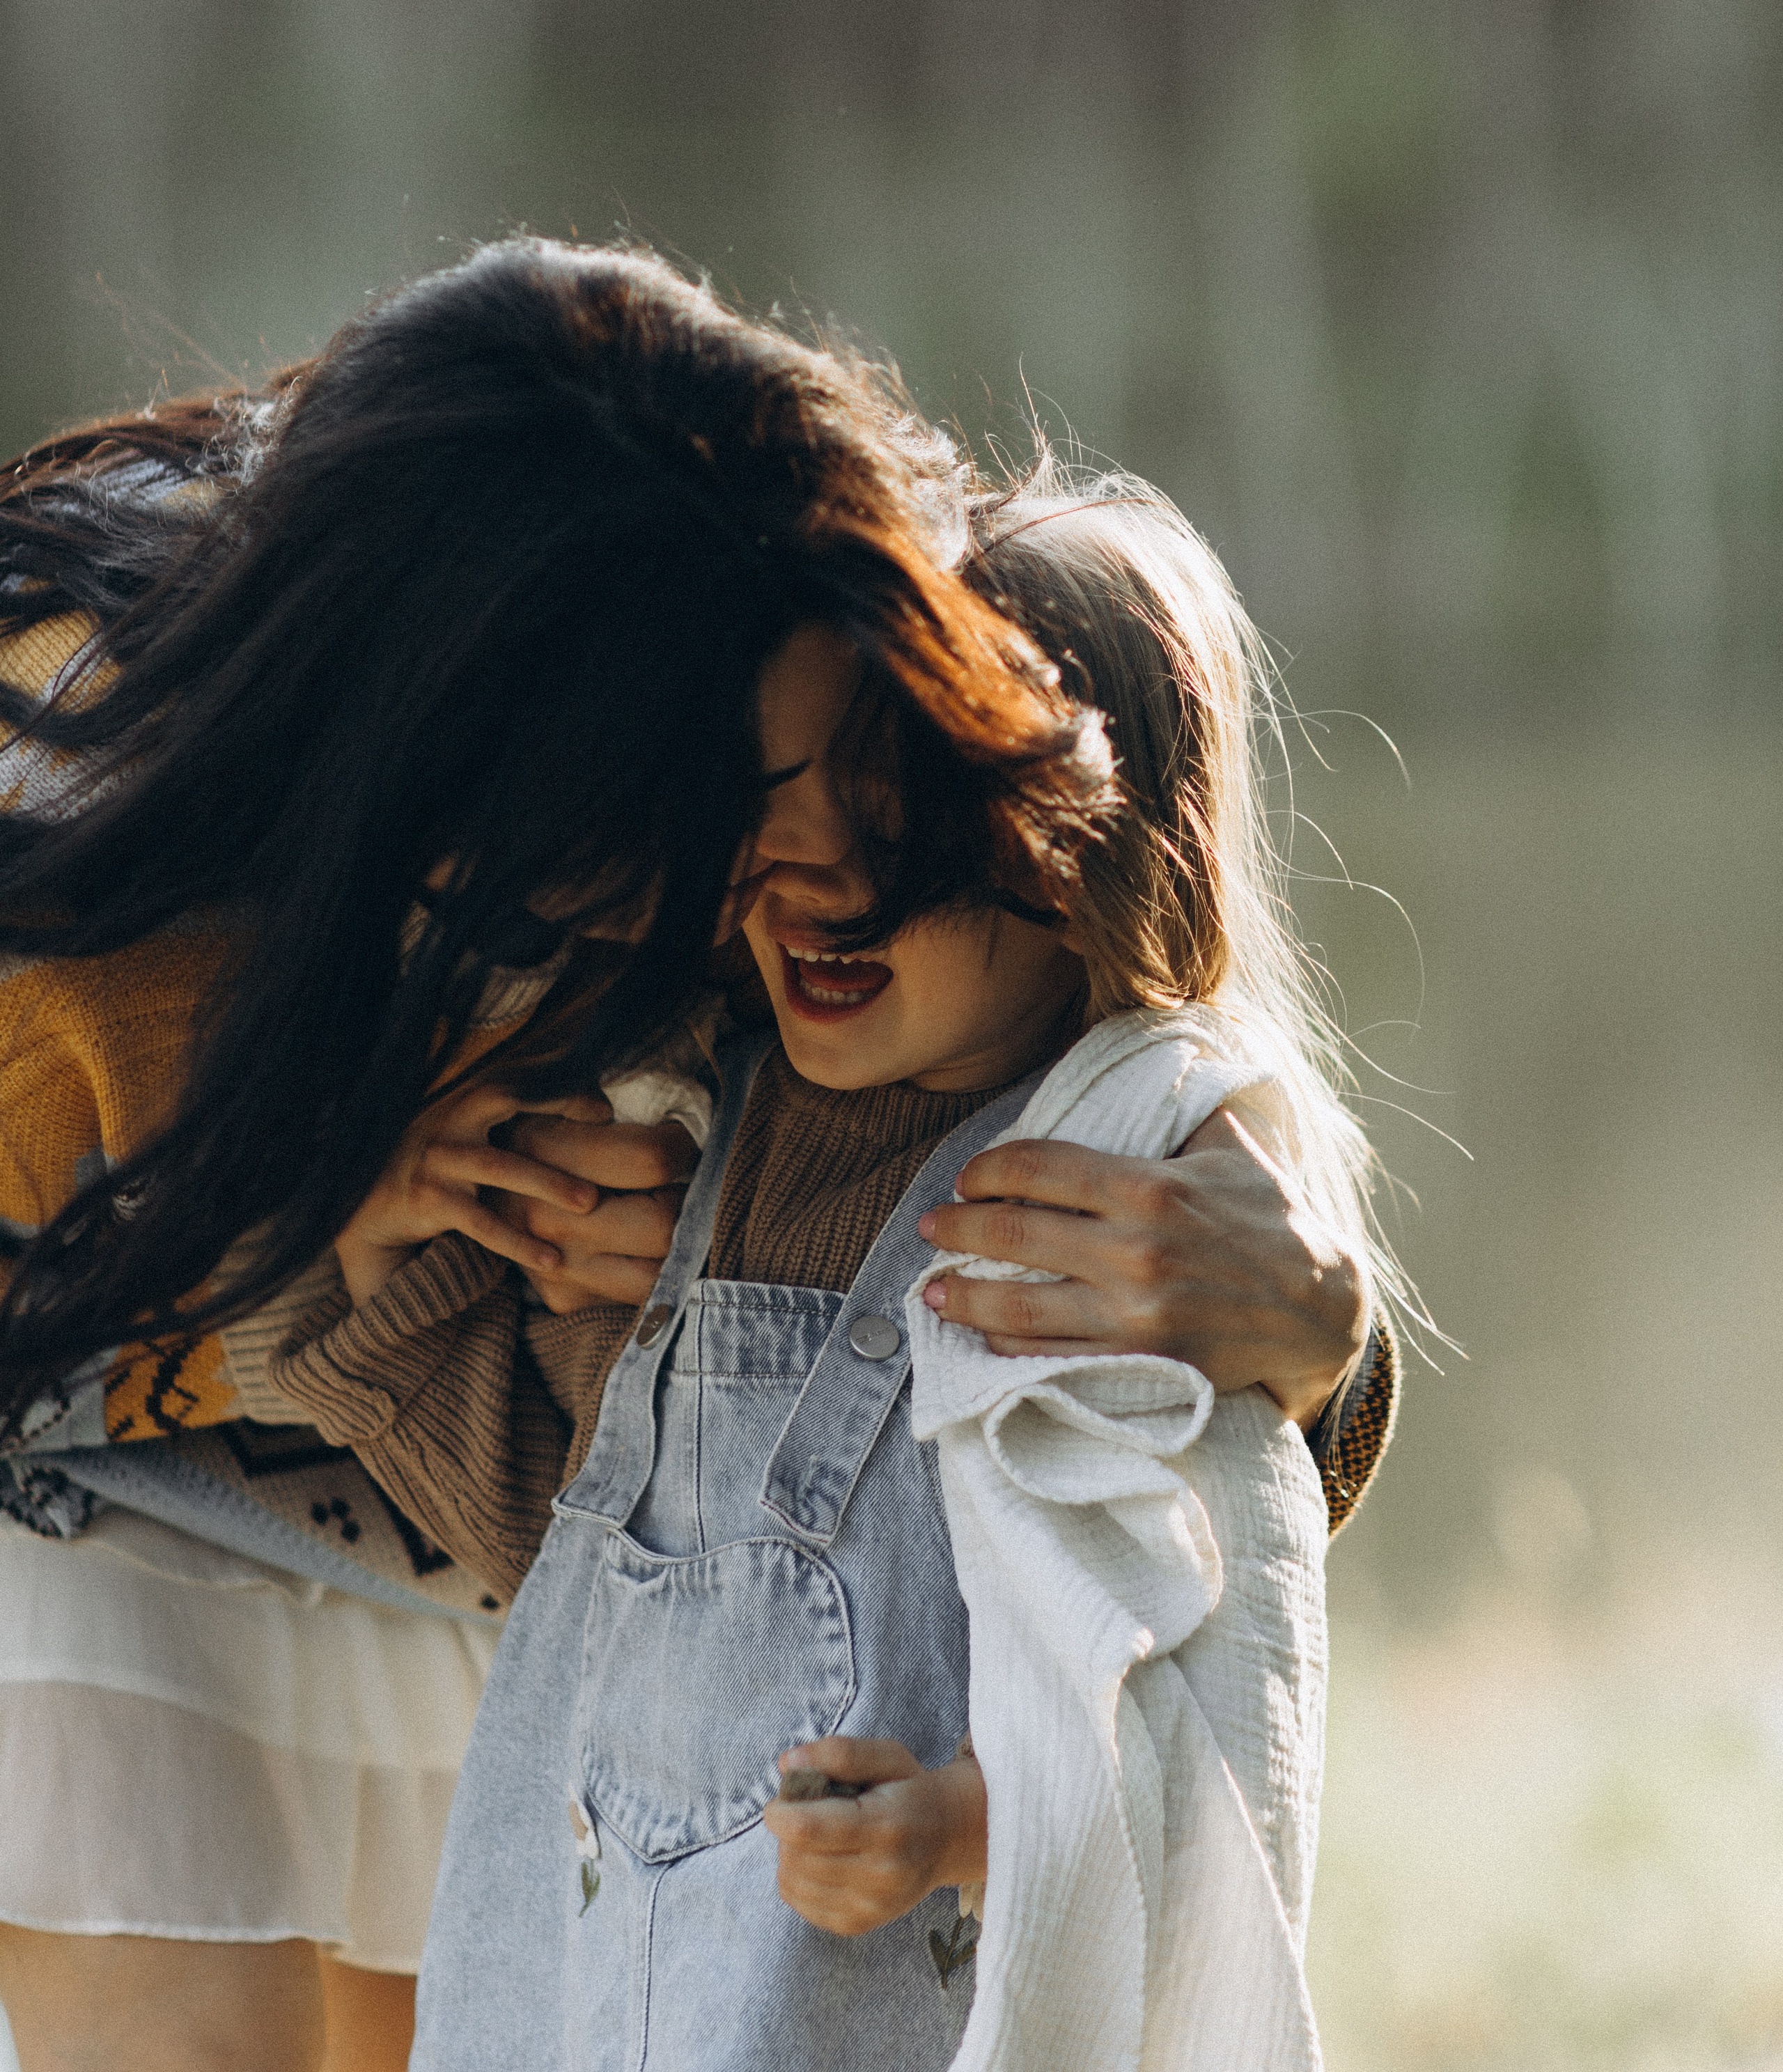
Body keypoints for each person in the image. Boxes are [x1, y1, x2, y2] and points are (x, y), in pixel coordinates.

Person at [0, 244, 1374, 2072]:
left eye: (836, 786)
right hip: (96, 1477)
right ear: (472, 784)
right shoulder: (81, 853)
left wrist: (1310, 1316)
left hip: (492, 1587)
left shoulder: (754, 567)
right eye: (707, 801)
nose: (790, 866)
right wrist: (310, 1256)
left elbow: (1124, 988)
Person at [267, 458, 1402, 2067]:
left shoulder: (1121, 1169)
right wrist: (394, 1263)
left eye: (892, 808)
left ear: (1096, 846)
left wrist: (973, 1822)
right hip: (606, 2009)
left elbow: (1216, 1676)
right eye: (757, 791)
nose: (798, 864)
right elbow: (598, 1571)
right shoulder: (693, 1125)